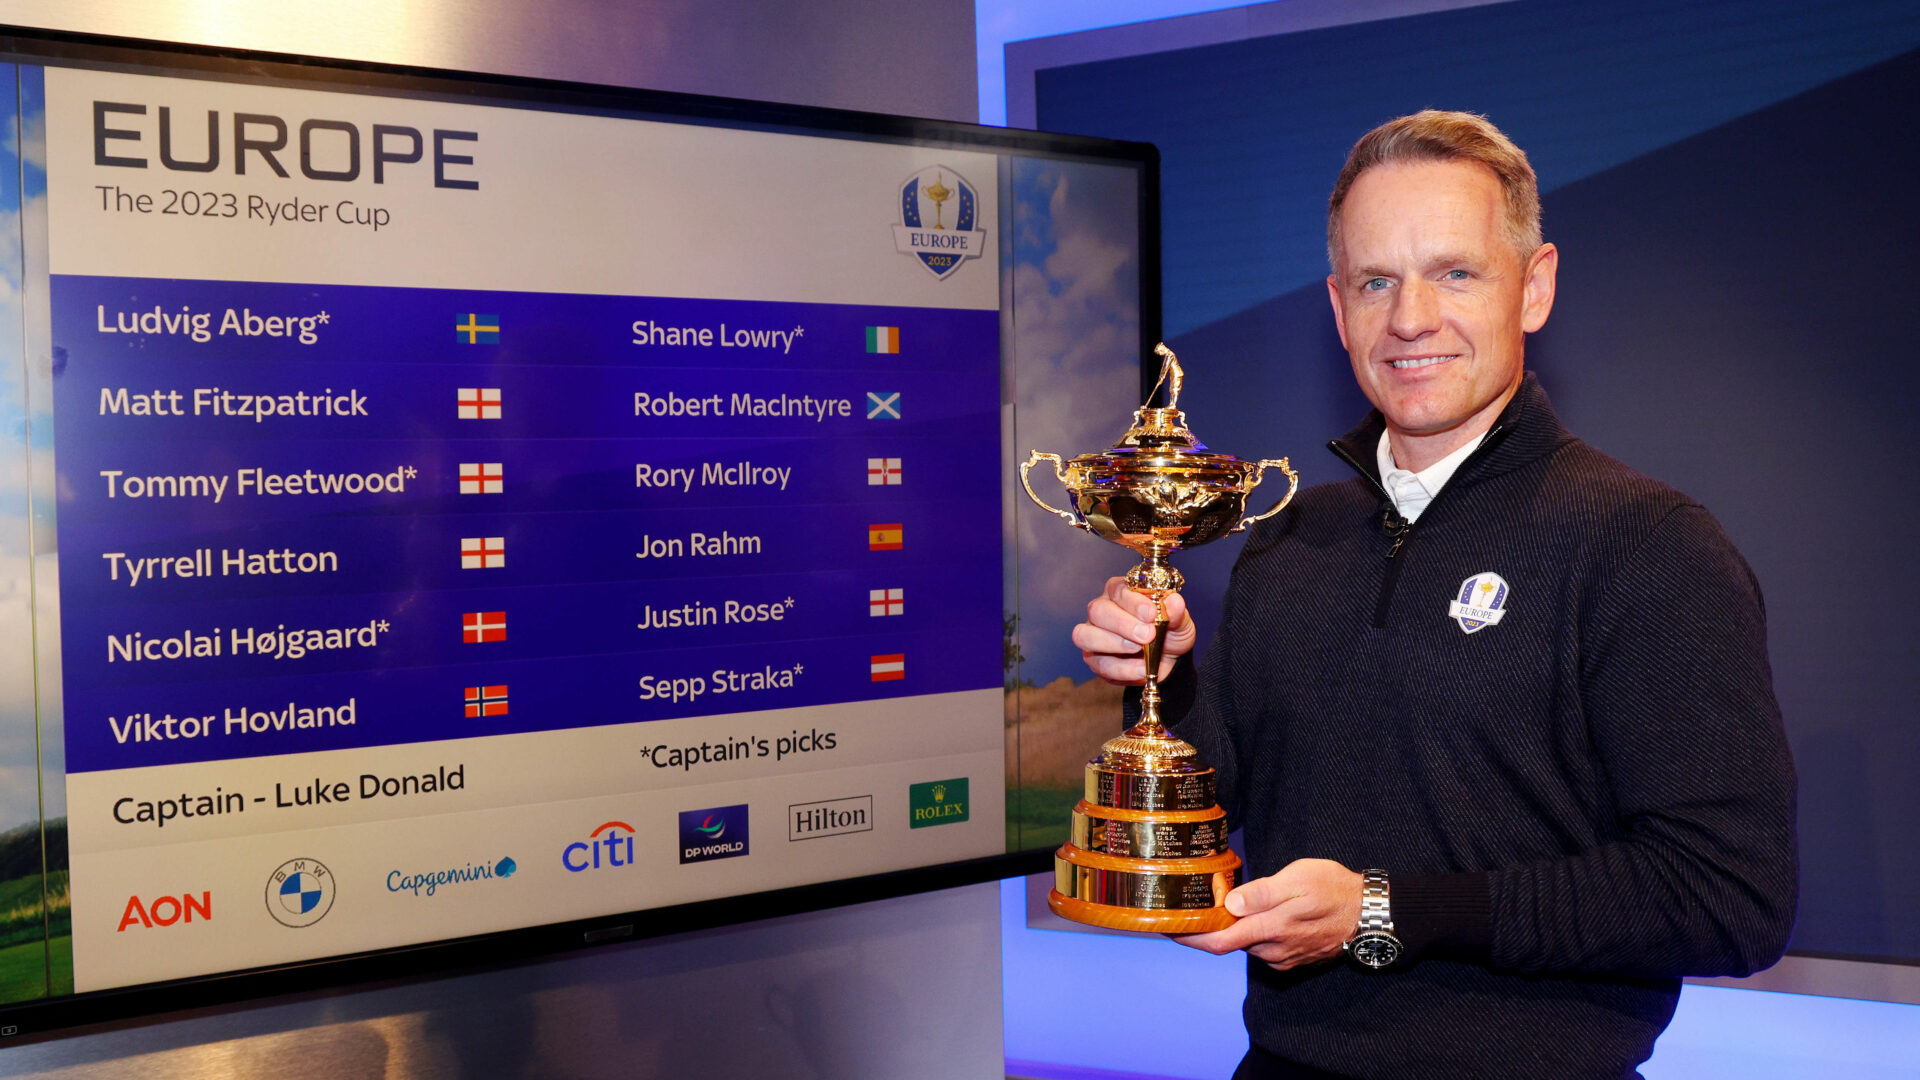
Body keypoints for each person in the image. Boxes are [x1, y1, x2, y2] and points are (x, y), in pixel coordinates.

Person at [1073, 111, 1797, 1080]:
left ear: (1534, 287)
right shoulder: (1288, 538)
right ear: (1337, 309)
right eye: (1376, 282)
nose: (1409, 317)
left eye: (1455, 272)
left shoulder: (1648, 546)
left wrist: (1383, 913)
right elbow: (1215, 805)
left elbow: (1730, 895)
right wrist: (1165, 678)